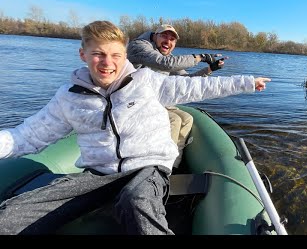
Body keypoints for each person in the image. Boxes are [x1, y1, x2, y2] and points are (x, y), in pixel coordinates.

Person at [0, 20, 271, 235]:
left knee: (136, 200)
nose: (108, 63)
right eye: (98, 54)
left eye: (115, 55)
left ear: (124, 54)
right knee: (12, 214)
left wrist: (246, 82)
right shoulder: (68, 98)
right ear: (83, 54)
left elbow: (194, 86)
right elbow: (27, 136)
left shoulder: (146, 82)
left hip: (147, 166)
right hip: (99, 174)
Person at [127, 24, 226, 167]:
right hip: (132, 102)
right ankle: (162, 166)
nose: (168, 41)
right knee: (174, 120)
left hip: (154, 101)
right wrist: (200, 57)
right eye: (164, 36)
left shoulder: (170, 58)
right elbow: (165, 64)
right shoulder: (139, 46)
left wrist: (210, 69)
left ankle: (173, 164)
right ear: (155, 36)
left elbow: (186, 81)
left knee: (186, 119)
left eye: (172, 39)